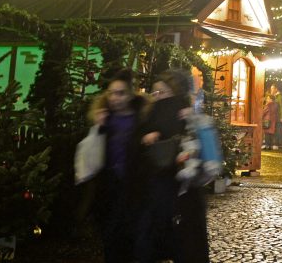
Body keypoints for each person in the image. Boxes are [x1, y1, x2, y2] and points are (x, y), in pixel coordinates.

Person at [136, 70, 210, 263]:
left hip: (184, 194)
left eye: (164, 93)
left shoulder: (190, 118)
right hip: (157, 194)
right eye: (155, 93)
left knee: (186, 245)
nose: (158, 98)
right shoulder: (148, 117)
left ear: (176, 94)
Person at [90, 68, 146, 263]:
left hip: (134, 189)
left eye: (120, 93)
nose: (114, 98)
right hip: (109, 189)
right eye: (111, 93)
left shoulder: (142, 119)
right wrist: (99, 128)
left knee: (131, 240)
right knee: (111, 239)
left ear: (131, 94)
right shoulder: (104, 119)